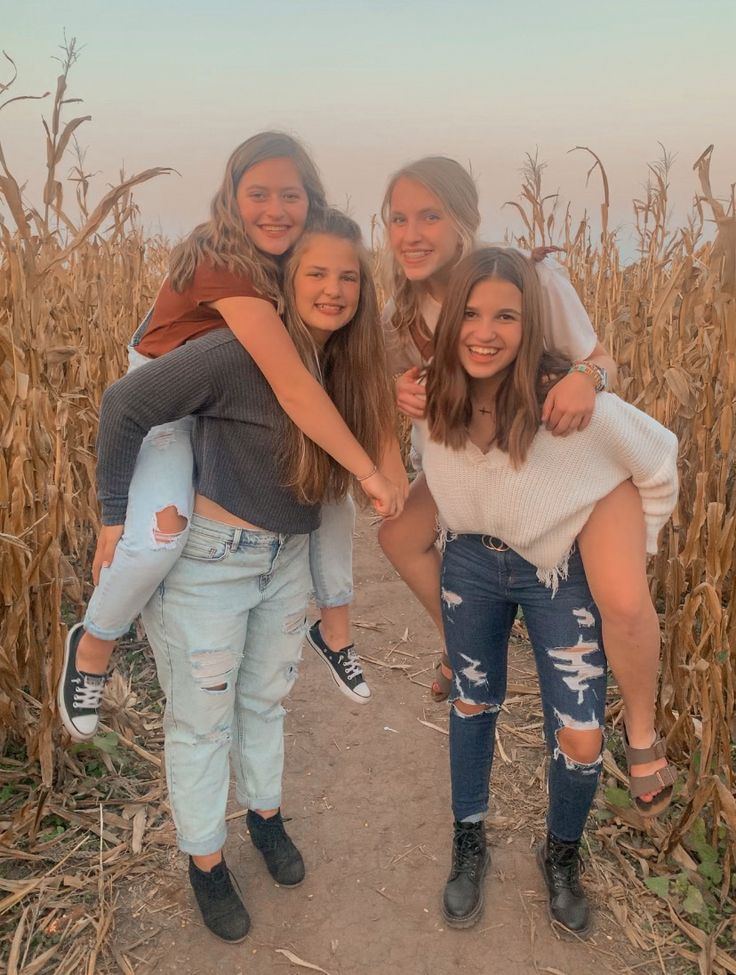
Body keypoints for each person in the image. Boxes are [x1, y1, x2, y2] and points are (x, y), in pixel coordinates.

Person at [89, 209, 395, 942]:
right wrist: (113, 512)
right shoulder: (234, 351)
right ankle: (205, 861)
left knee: (265, 701)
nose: (333, 288)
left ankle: (264, 814)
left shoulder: (339, 366)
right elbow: (124, 404)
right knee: (201, 724)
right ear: (284, 283)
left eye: (348, 276)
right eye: (316, 272)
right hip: (210, 568)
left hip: (283, 564)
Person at [58, 133, 404, 742]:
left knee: (326, 491)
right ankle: (92, 645)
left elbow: (361, 352)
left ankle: (336, 629)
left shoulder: (298, 254)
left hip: (229, 387)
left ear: (311, 200)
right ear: (231, 196)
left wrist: (382, 454)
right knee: (154, 541)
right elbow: (295, 386)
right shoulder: (223, 261)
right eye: (258, 194)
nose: (275, 209)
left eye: (290, 195)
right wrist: (371, 469)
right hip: (167, 399)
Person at [377, 156, 673, 812]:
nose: (412, 232)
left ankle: (644, 732)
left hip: (570, 453)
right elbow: (414, 396)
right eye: (398, 218)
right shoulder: (408, 308)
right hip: (493, 458)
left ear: (464, 221)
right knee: (399, 533)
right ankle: (456, 650)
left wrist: (583, 379)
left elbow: (600, 359)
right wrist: (398, 388)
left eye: (430, 215)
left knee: (621, 601)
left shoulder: (532, 275)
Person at [419, 246, 678, 934]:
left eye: (506, 315)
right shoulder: (431, 397)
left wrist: (629, 542)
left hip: (557, 573)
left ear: (531, 325)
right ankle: (468, 836)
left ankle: (562, 851)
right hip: (470, 566)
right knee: (474, 705)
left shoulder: (569, 403)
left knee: (583, 735)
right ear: (449, 324)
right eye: (470, 313)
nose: (484, 330)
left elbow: (658, 459)